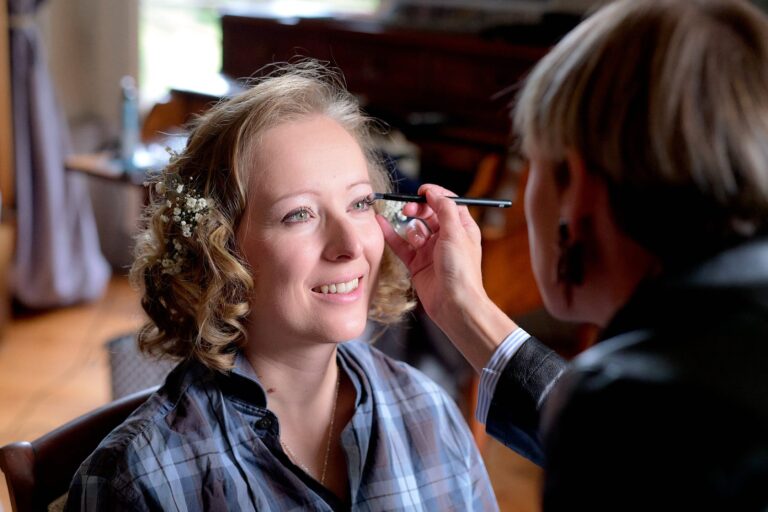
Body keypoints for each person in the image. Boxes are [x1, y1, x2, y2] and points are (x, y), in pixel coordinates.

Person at [379, 0, 768, 509]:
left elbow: (632, 431)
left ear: (577, 188)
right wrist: (462, 306)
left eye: (531, 162)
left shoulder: (628, 402)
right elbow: (641, 444)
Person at [64, 62, 497, 511]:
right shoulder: (144, 480)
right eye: (300, 215)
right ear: (220, 251)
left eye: (360, 203)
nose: (349, 245)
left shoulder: (428, 411)